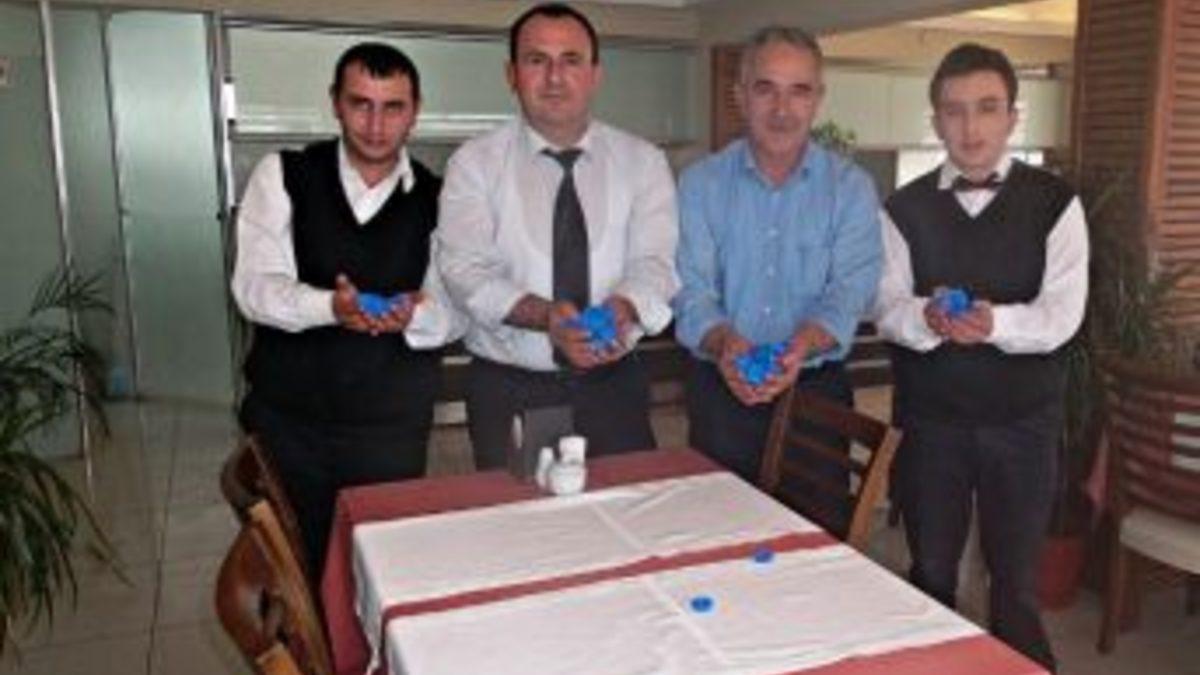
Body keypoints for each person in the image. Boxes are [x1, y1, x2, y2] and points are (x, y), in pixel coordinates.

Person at [874, 43, 1088, 671]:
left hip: (1024, 425)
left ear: (1012, 118)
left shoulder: (1056, 202)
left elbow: (1061, 315)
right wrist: (927, 317)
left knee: (1016, 591)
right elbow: (886, 307)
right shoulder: (902, 208)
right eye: (954, 110)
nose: (971, 127)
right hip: (931, 423)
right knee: (931, 575)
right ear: (935, 120)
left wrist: (995, 322)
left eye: (987, 108)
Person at [232, 42, 461, 580]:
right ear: (335, 102)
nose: (376, 125)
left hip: (392, 431)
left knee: (382, 570)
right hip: (290, 424)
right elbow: (254, 289)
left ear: (415, 110)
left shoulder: (440, 198)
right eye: (361, 104)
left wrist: (413, 315)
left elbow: (454, 311)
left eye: (393, 107)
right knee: (297, 575)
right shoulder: (284, 174)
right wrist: (331, 307)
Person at [435, 2, 679, 469]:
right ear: (511, 74)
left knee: (628, 507)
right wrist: (548, 317)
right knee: (521, 512)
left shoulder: (643, 161)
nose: (554, 77)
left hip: (614, 388)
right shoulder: (473, 163)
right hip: (512, 388)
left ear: (595, 74)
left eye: (571, 60)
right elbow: (465, 271)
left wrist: (622, 309)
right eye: (536, 60)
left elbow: (656, 263)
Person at [672, 25, 881, 530]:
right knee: (719, 538)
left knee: (818, 546)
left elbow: (849, 291)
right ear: (740, 95)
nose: (782, 109)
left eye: (799, 90)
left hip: (816, 397)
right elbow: (690, 290)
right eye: (766, 88)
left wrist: (799, 347)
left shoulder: (851, 189)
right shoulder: (699, 185)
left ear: (818, 99)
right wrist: (726, 345)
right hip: (721, 392)